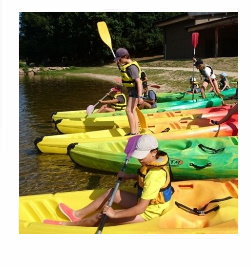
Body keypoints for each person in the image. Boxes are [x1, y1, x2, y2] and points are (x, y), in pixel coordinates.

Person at [43, 134, 174, 227]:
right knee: (113, 192)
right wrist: (128, 176)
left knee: (103, 216)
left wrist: (115, 214)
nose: (139, 159)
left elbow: (140, 209)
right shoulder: (154, 160)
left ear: (154, 151)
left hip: (149, 212)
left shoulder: (154, 176)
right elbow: (144, 176)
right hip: (146, 202)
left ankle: (67, 226)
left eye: (141, 155)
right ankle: (77, 214)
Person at [114, 48, 144, 136]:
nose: (119, 60)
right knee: (133, 110)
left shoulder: (131, 67)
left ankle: (133, 132)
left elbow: (138, 82)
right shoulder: (128, 66)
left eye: (120, 59)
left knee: (128, 110)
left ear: (126, 56)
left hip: (135, 91)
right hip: (133, 91)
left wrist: (140, 97)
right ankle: (136, 131)